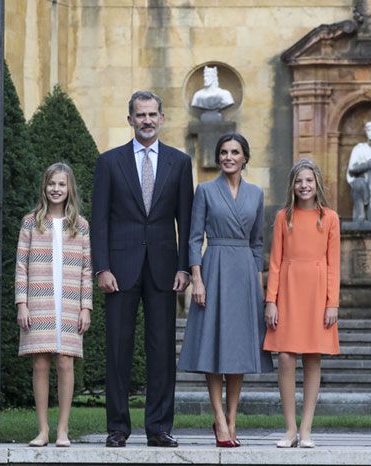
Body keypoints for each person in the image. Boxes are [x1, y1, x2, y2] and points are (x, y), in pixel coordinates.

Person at [91, 91, 193, 448]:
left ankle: (159, 427)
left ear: (162, 118)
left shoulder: (180, 163)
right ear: (130, 119)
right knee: (118, 349)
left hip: (165, 269)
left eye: (152, 114)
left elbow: (187, 220)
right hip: (119, 269)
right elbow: (99, 220)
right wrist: (101, 267)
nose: (147, 120)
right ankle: (117, 427)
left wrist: (185, 268)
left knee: (162, 349)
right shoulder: (109, 162)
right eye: (140, 115)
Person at [178, 133, 273, 448]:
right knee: (213, 345)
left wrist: (258, 284)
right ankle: (219, 418)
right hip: (214, 267)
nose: (228, 157)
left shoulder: (256, 194)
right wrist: (198, 278)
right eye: (223, 152)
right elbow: (193, 238)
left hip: (244, 271)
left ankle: (232, 418)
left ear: (245, 157)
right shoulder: (205, 191)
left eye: (234, 152)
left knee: (238, 350)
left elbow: (258, 243)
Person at [263, 159, 341, 449]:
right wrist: (271, 300)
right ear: (292, 186)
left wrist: (332, 302)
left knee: (313, 356)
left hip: (318, 291)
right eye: (299, 181)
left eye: (309, 180)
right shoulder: (284, 217)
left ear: (317, 183)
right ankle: (289, 428)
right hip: (289, 287)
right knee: (285, 356)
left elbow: (334, 263)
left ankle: (306, 429)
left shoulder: (330, 218)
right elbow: (274, 261)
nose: (304, 186)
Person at [15, 162, 93, 448]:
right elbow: (21, 266)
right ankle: (43, 430)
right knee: (40, 362)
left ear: (69, 188)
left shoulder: (81, 226)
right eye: (51, 184)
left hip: (70, 301)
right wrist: (21, 303)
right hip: (40, 300)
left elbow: (87, 269)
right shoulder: (31, 222)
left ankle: (63, 430)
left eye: (61, 184)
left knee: (65, 361)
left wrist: (86, 306)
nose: (56, 189)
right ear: (44, 187)